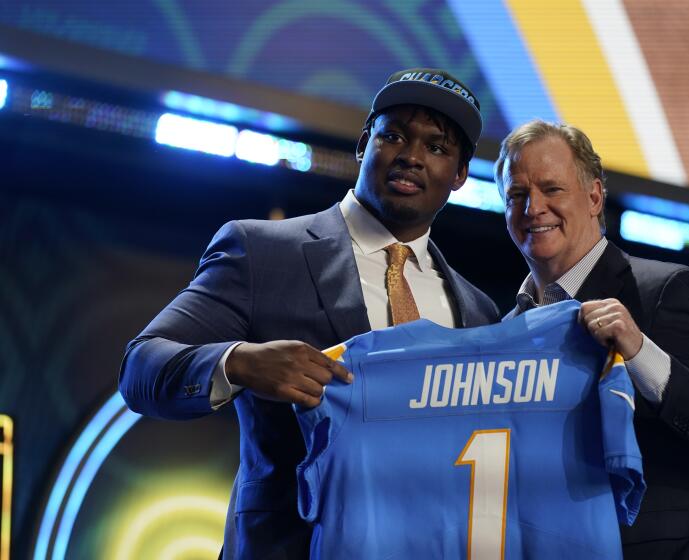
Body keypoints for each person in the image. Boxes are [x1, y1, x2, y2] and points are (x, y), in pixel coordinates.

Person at [119, 68, 499, 559]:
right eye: (395, 135)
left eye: (437, 147)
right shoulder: (261, 251)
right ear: (365, 144)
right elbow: (141, 367)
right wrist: (240, 362)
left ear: (461, 175)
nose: (411, 156)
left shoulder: (480, 312)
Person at [494, 120, 689, 559]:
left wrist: (639, 352)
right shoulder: (503, 332)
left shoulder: (670, 289)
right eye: (516, 195)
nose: (532, 208)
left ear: (595, 196)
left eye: (551, 189)